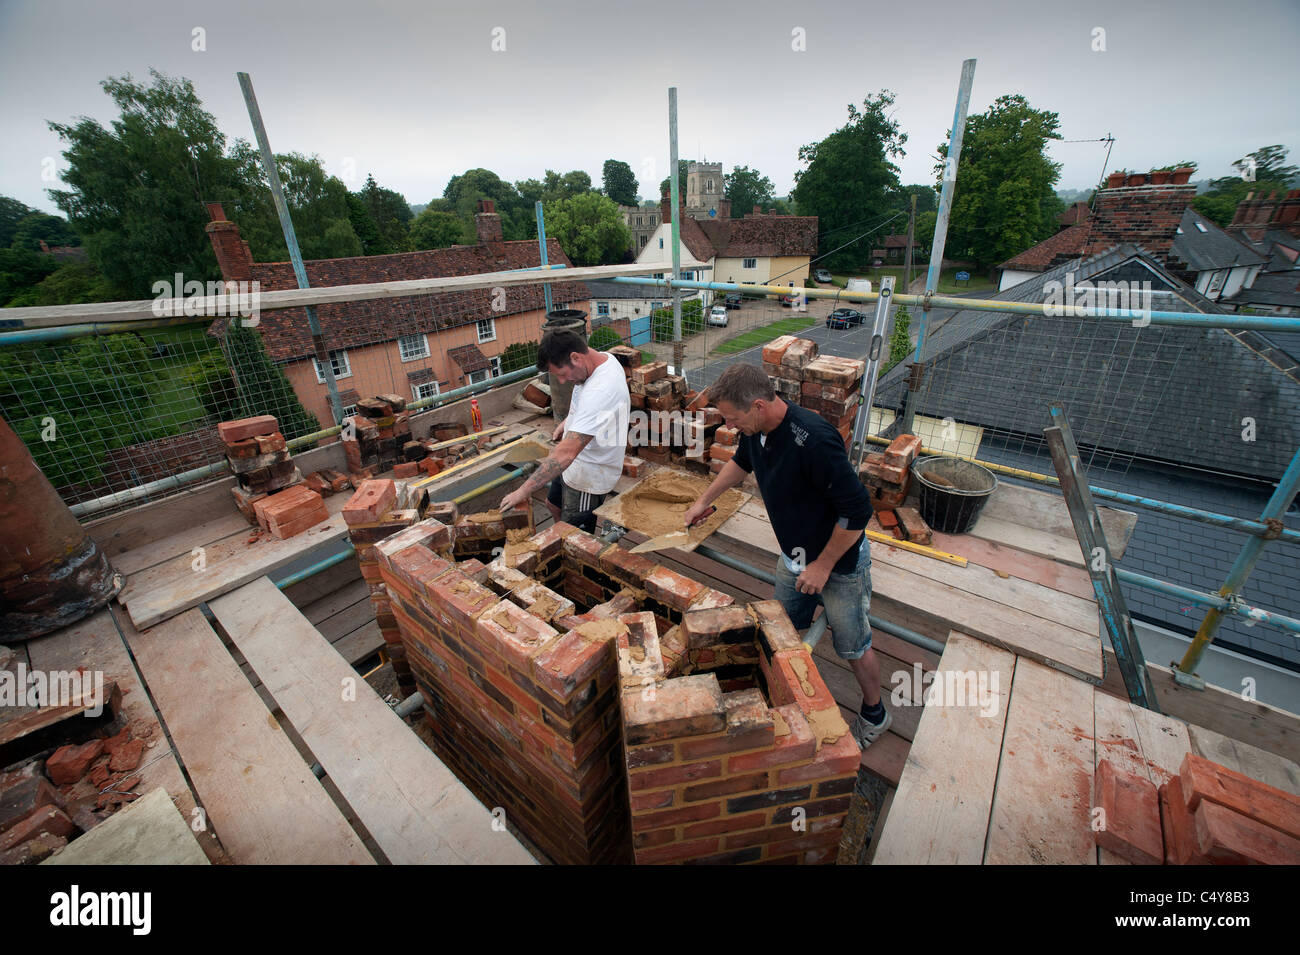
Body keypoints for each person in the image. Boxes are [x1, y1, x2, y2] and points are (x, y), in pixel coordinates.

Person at [682, 363, 891, 748]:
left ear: (758, 406)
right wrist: (703, 500)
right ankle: (782, 694)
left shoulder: (814, 439)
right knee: (781, 630)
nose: (729, 426)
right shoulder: (757, 431)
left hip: (840, 564)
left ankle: (875, 713)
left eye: (732, 418)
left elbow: (858, 511)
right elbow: (741, 463)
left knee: (853, 646)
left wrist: (823, 566)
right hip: (793, 556)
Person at [499, 328, 630, 533]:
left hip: (590, 473)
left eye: (561, 374)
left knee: (575, 536)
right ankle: (559, 540)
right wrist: (570, 421)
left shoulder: (602, 390)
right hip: (574, 464)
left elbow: (566, 453)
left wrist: (523, 491)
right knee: (553, 505)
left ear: (575, 358)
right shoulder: (598, 361)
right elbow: (585, 404)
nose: (561, 381)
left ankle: (569, 549)